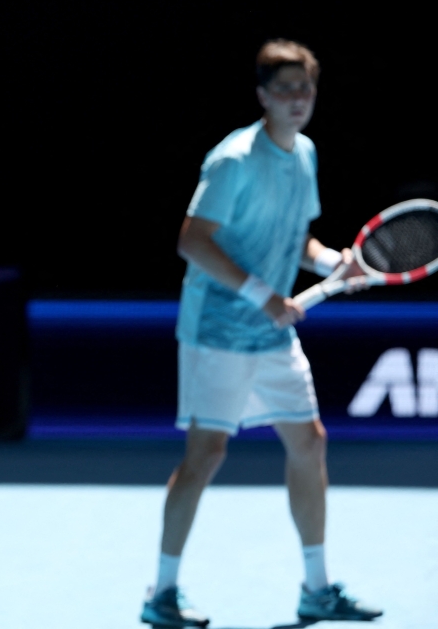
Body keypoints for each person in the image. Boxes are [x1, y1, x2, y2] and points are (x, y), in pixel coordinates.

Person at [140, 40, 383, 626]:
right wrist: (262, 295)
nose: (298, 100)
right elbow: (192, 241)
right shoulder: (234, 160)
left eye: (306, 89)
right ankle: (161, 593)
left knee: (311, 443)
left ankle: (317, 589)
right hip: (218, 331)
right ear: (262, 96)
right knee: (206, 454)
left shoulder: (305, 155)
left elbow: (296, 239)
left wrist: (333, 266)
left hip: (271, 335)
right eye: (285, 89)